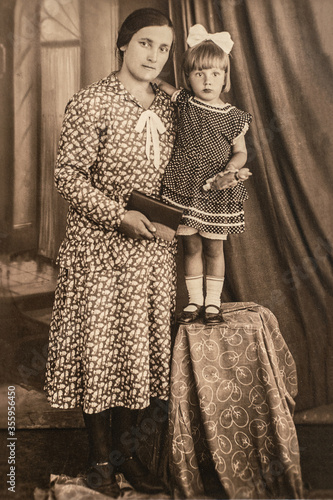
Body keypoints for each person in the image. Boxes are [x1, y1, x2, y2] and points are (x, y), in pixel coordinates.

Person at [44, 8, 177, 498]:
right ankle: (100, 464)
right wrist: (119, 215)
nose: (154, 56)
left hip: (150, 255)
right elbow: (68, 178)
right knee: (100, 357)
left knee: (137, 359)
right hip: (98, 252)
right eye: (146, 44)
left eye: (163, 48)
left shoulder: (168, 108)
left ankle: (130, 461)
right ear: (123, 45)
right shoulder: (90, 102)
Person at [157, 24, 253, 325]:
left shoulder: (234, 117)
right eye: (199, 74)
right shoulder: (185, 102)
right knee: (191, 245)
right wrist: (153, 81)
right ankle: (194, 301)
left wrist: (231, 170)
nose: (207, 80)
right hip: (184, 187)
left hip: (214, 190)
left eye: (214, 74)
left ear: (225, 78)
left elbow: (241, 152)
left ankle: (213, 302)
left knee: (213, 246)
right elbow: (164, 87)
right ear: (189, 78)